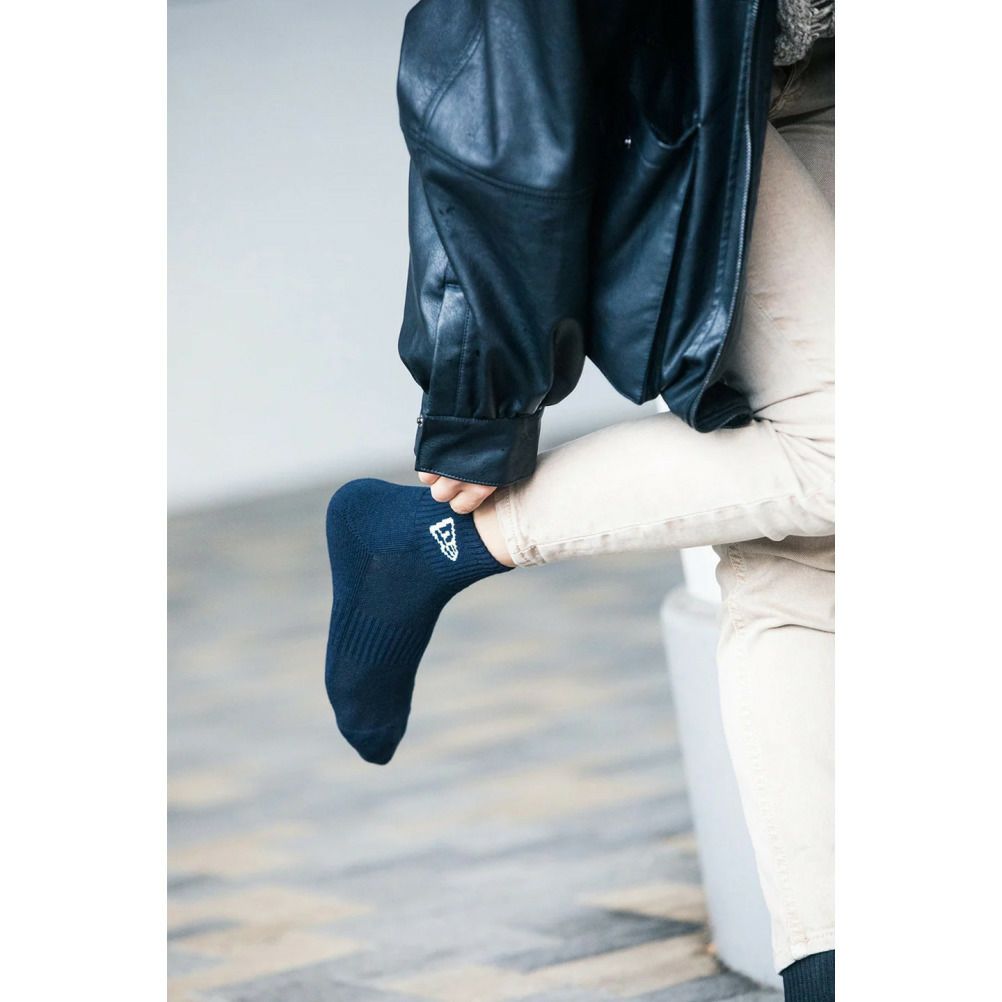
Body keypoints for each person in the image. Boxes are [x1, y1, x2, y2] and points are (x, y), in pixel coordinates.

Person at [323, 3, 834, 1000]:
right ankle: (433, 542)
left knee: (809, 559)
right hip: (697, 84)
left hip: (842, 72)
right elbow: (496, 68)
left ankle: (834, 962)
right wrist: (480, 392)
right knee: (848, 455)